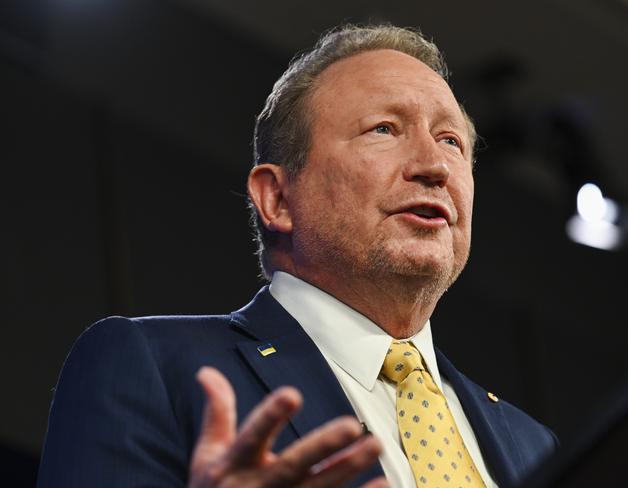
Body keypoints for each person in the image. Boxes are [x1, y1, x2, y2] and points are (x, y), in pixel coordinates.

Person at [38, 24, 558, 488]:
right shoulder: (149, 365)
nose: (434, 166)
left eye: (450, 141)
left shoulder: (532, 443)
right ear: (278, 199)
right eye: (384, 129)